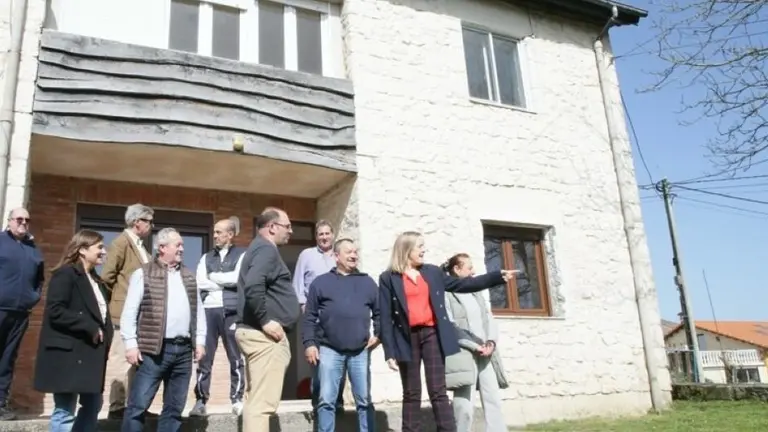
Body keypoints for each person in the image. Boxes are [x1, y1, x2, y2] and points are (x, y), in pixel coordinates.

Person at [377, 231, 516, 432]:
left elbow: (464, 284)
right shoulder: (388, 278)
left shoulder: (432, 272)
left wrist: (497, 277)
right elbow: (385, 316)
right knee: (411, 392)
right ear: (406, 249)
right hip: (406, 338)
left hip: (432, 335)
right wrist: (389, 351)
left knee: (438, 390)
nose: (424, 250)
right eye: (420, 246)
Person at [120, 228, 207, 432]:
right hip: (154, 351)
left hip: (184, 351)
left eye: (182, 245)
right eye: (178, 245)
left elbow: (198, 311)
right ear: (161, 248)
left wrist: (200, 341)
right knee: (137, 407)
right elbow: (129, 312)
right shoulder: (143, 273)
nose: (182, 249)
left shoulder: (188, 276)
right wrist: (131, 345)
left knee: (174, 409)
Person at [34, 229, 114, 432]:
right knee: (65, 410)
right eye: (99, 247)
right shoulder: (65, 275)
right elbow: (55, 311)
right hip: (68, 354)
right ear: (83, 250)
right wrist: (89, 327)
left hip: (90, 354)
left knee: (94, 405)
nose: (104, 252)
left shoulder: (97, 281)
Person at [302, 238, 380, 432]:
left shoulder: (367, 282)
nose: (354, 255)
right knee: (327, 400)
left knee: (364, 400)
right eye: (348, 252)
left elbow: (380, 312)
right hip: (329, 349)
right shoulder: (321, 283)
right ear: (336, 256)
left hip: (360, 350)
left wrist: (379, 335)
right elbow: (309, 317)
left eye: (355, 251)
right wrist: (310, 343)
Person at [235, 207, 300, 432]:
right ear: (272, 227)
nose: (290, 231)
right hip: (264, 337)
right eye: (287, 226)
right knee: (262, 405)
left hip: (256, 334)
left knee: (255, 402)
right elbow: (253, 285)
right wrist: (265, 320)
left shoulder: (258, 249)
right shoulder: (266, 250)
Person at [442, 253, 509, 432]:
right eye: (469, 267)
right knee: (464, 404)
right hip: (464, 353)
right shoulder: (446, 293)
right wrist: (474, 346)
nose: (474, 271)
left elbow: (489, 318)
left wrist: (491, 343)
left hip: (486, 352)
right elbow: (449, 324)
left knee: (492, 397)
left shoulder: (476, 291)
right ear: (456, 269)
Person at [101, 204, 155, 420]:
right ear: (137, 222)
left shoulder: (141, 246)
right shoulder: (121, 243)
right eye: (149, 221)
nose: (151, 226)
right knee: (121, 360)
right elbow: (106, 277)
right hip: (122, 314)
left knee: (137, 362)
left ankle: (135, 405)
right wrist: (117, 303)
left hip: (140, 315)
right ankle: (117, 407)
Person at [190, 217, 246, 417]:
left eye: (218, 232)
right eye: (214, 232)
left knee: (236, 357)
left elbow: (238, 279)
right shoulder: (206, 258)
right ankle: (200, 400)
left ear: (230, 235)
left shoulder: (242, 255)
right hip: (208, 311)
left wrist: (213, 278)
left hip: (231, 311)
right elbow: (200, 282)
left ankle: (237, 399)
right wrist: (223, 282)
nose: (214, 236)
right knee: (204, 357)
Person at [292, 220, 345, 412]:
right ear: (316, 237)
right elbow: (297, 284)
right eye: (320, 234)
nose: (324, 237)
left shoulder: (339, 257)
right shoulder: (306, 255)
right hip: (315, 317)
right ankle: (318, 403)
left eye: (327, 233)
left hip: (338, 318)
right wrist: (304, 306)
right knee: (318, 361)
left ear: (333, 235)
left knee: (340, 360)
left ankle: (338, 401)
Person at [0, 207, 44, 421]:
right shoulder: (0, 242)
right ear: (9, 221)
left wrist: (33, 297)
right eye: (19, 219)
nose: (23, 223)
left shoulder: (32, 248)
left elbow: (40, 278)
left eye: (27, 219)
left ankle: (0, 405)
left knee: (8, 359)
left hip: (20, 312)